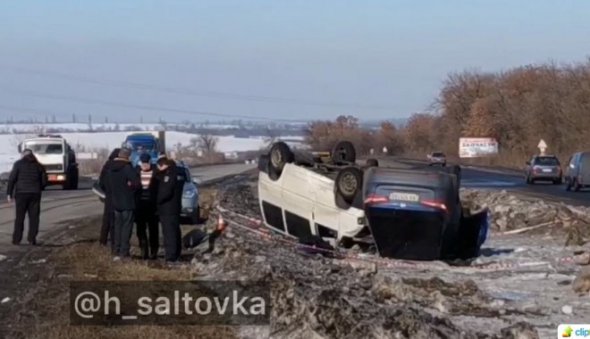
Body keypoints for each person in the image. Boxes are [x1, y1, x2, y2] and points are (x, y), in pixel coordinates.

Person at [6, 149, 47, 245]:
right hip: (35, 194)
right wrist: (39, 187)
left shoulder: (18, 164)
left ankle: (17, 239)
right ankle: (32, 239)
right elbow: (44, 182)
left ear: (23, 155)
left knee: (20, 217)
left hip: (21, 194)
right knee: (34, 217)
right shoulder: (39, 166)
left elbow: (12, 179)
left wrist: (9, 193)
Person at [106, 148, 140, 260]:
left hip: (115, 202)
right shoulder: (127, 168)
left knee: (117, 227)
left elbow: (107, 185)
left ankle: (116, 250)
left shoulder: (110, 168)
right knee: (126, 228)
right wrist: (130, 186)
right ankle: (124, 252)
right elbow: (136, 183)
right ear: (127, 156)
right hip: (127, 202)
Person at [155, 155, 184, 262]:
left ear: (163, 165)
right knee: (175, 230)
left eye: (159, 167)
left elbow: (165, 192)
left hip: (167, 208)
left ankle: (171, 256)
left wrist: (156, 201)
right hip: (175, 206)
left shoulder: (169, 175)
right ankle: (176, 252)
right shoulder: (179, 173)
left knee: (169, 232)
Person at [135, 153, 159, 259]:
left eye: (146, 162)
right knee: (140, 229)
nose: (145, 165)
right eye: (143, 163)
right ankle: (143, 250)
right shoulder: (136, 171)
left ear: (150, 162)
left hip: (152, 205)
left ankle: (154, 250)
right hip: (139, 204)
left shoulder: (155, 172)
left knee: (153, 229)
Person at [98, 148, 120, 248]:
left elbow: (101, 182)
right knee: (115, 220)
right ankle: (114, 242)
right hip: (117, 195)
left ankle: (103, 241)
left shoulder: (106, 166)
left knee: (106, 219)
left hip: (108, 195)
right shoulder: (119, 166)